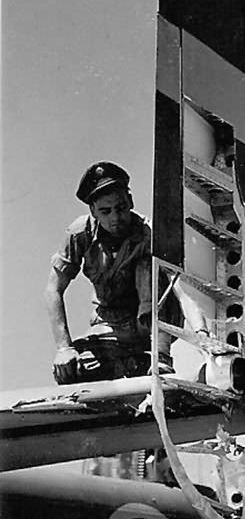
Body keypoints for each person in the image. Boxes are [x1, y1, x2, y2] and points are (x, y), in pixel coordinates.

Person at [45, 161, 207, 384]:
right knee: (71, 371)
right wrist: (64, 348)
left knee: (147, 265)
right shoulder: (79, 234)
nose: (115, 218)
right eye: (105, 211)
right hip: (110, 327)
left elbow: (181, 290)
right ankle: (133, 364)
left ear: (130, 201)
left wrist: (202, 336)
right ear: (93, 211)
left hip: (153, 324)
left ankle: (159, 357)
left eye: (120, 208)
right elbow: (53, 290)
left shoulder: (150, 234)